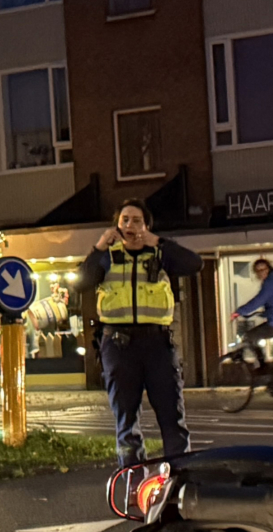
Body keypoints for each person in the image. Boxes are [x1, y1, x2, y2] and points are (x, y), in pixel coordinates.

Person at [82, 198, 199, 464]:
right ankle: (133, 479)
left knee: (172, 418)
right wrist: (100, 246)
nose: (130, 225)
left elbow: (194, 264)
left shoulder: (161, 254)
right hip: (118, 346)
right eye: (125, 220)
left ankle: (179, 478)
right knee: (126, 422)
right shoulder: (107, 258)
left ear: (146, 226)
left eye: (137, 220)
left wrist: (157, 241)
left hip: (157, 344)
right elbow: (82, 281)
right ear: (117, 227)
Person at [234, 258, 273, 385]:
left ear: (268, 269)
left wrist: (240, 311)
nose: (260, 273)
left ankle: (263, 367)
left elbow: (258, 300)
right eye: (257, 271)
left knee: (249, 336)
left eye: (263, 269)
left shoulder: (270, 284)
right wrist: (264, 313)